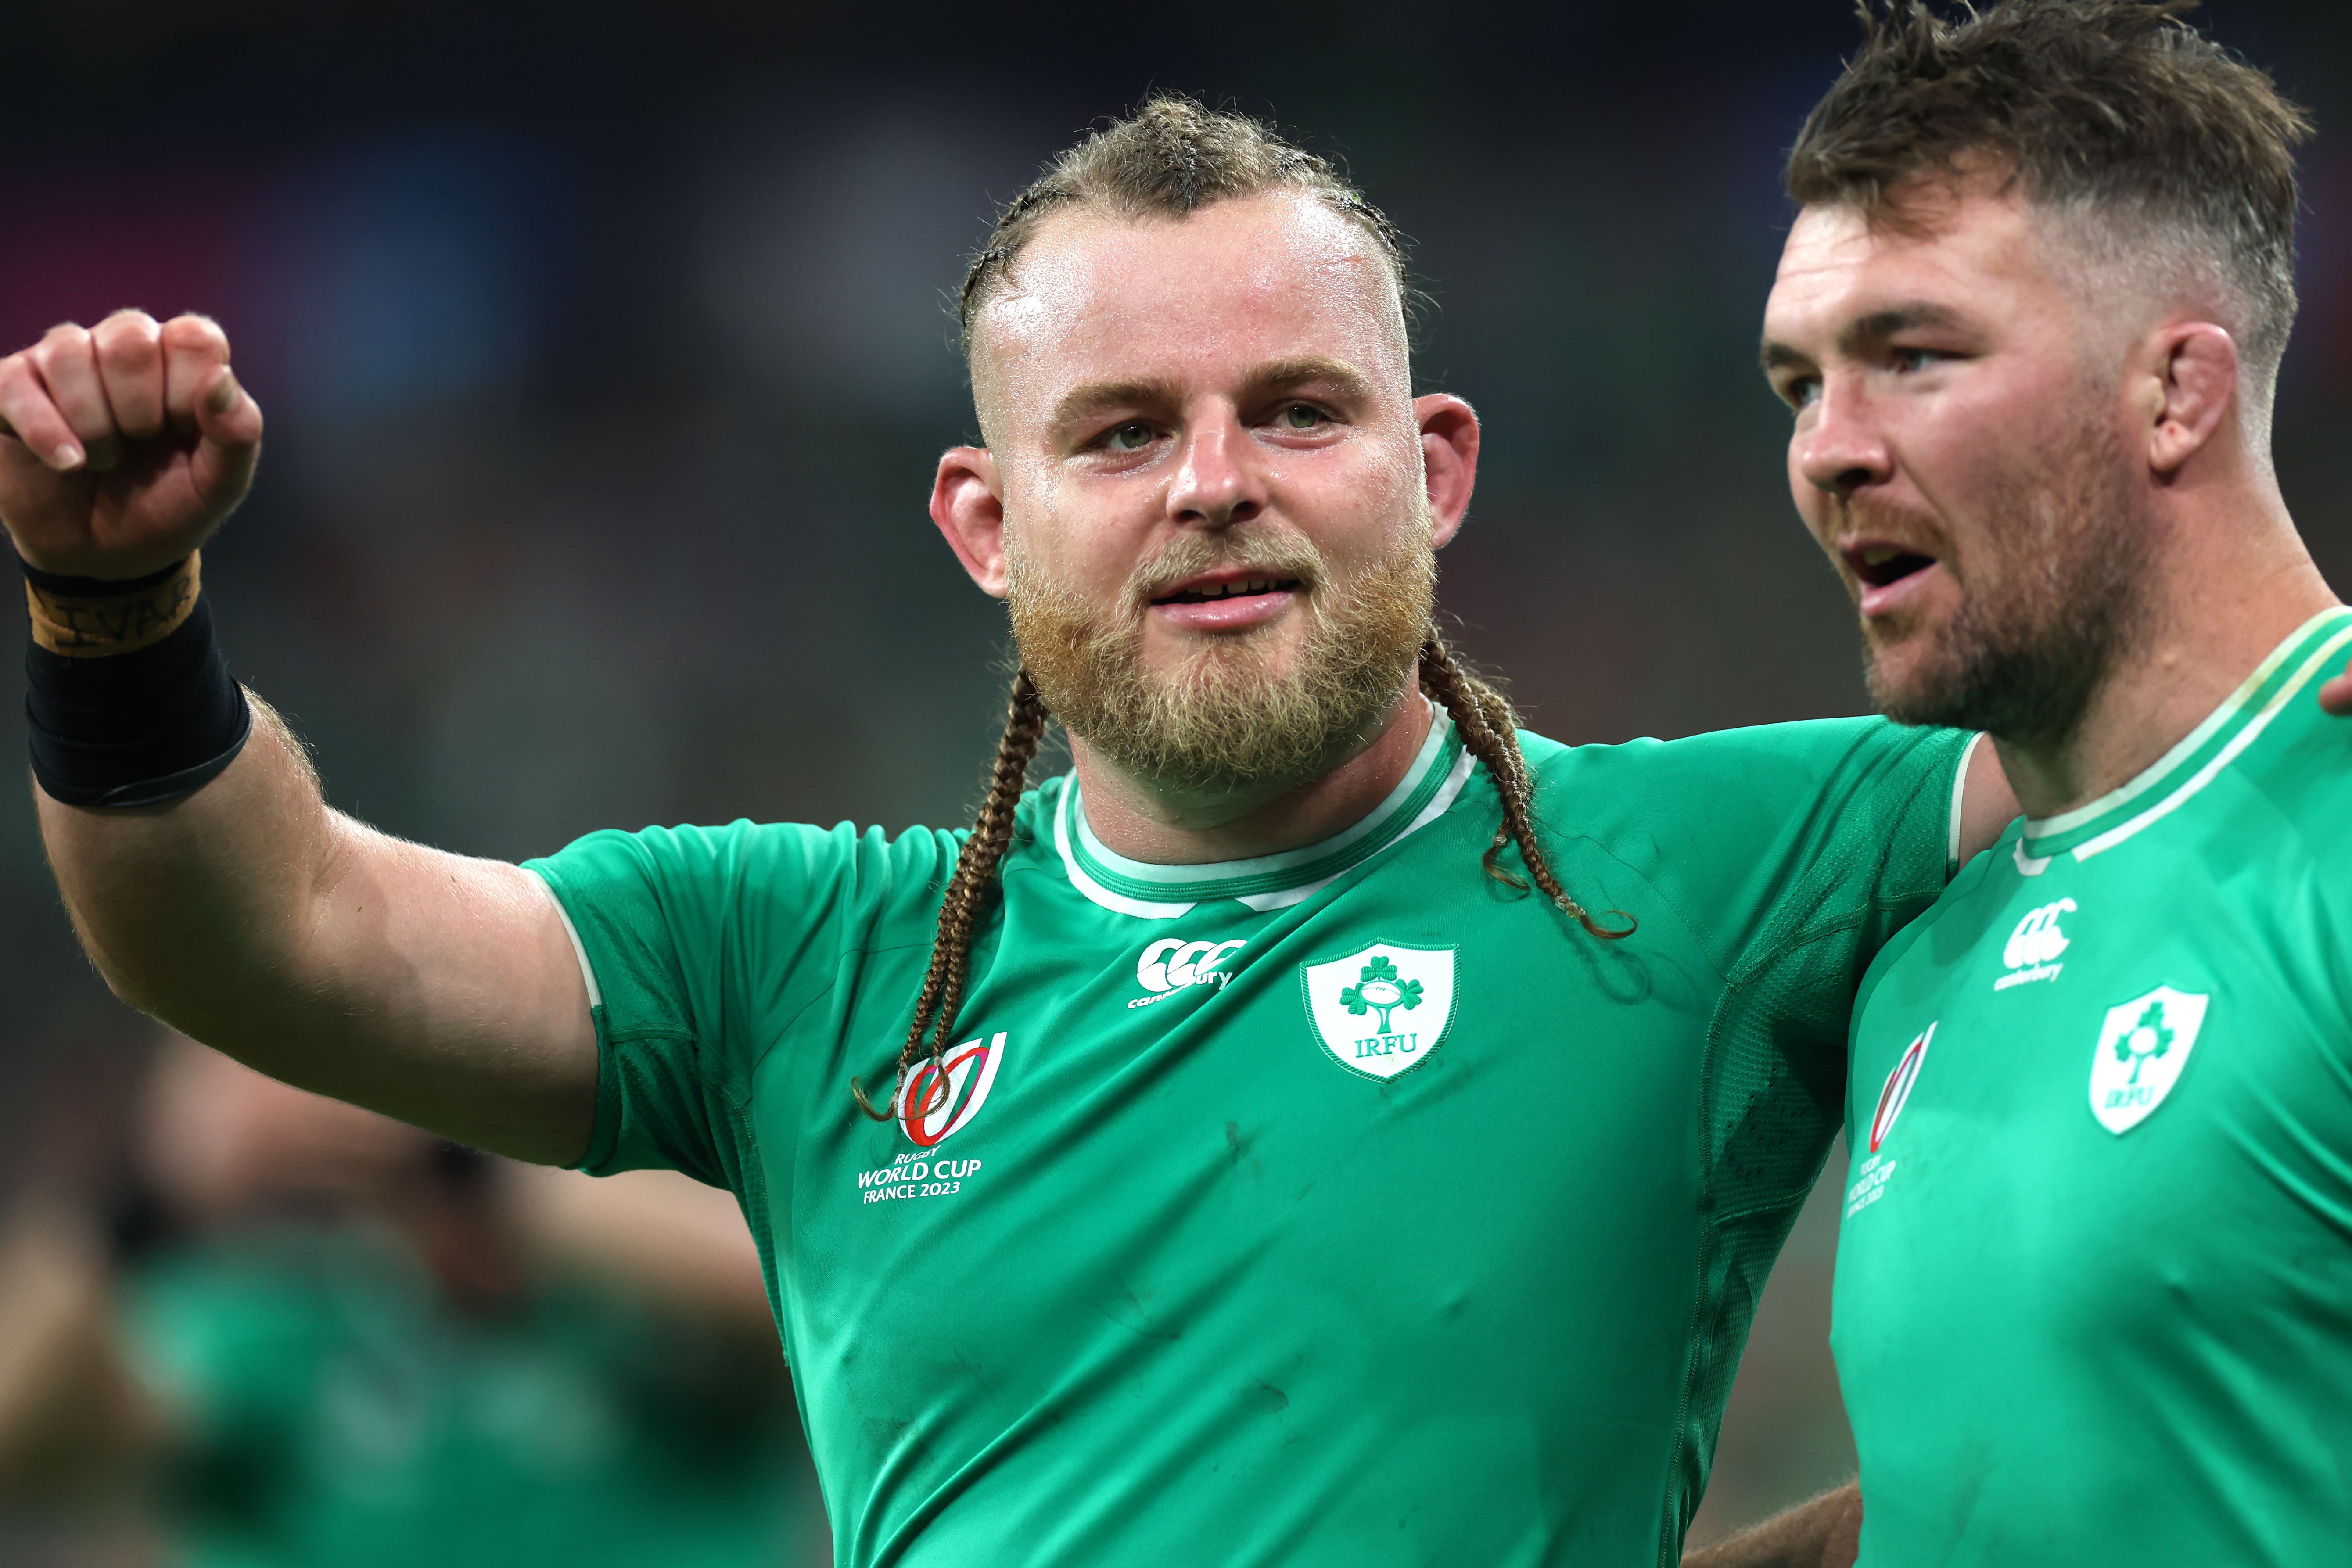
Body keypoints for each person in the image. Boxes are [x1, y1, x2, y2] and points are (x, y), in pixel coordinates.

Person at [0, 98, 2031, 1565]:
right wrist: (114, 621)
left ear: (1432, 472)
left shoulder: (1723, 854)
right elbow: (257, 930)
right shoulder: (792, 958)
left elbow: (2215, 789)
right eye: (1123, 430)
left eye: (1297, 412)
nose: (1212, 482)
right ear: (984, 519)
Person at [1692, 2, 2352, 1564]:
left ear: (2175, 394)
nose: (1827, 450)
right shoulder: (1928, 944)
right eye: (1799, 385)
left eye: (1912, 355)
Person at [0, 1033, 824, 1568]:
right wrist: (147, 1201)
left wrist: (466, 1148)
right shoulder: (276, 1320)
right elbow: (20, 1433)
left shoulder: (647, 1286)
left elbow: (799, 1293)